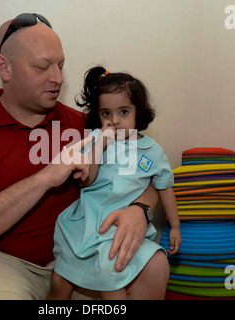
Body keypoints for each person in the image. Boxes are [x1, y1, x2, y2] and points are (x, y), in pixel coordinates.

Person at [0, 13, 166, 300]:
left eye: (61, 65)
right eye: (42, 67)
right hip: (0, 264)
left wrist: (141, 208)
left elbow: (149, 171)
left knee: (153, 266)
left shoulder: (88, 125)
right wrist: (44, 179)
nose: (58, 78)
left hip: (83, 258)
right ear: (4, 67)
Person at [48, 67, 181, 300]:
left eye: (123, 112)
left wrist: (176, 225)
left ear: (137, 112)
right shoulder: (96, 142)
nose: (115, 121)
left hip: (118, 230)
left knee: (113, 284)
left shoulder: (152, 151)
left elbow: (165, 188)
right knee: (60, 282)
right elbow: (86, 181)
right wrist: (101, 143)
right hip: (86, 224)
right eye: (106, 114)